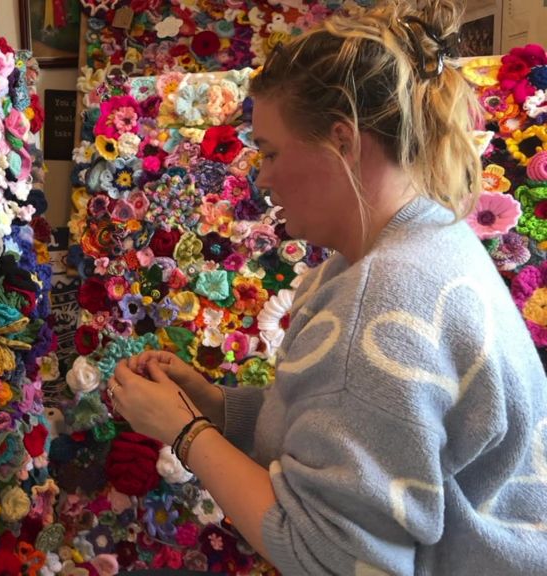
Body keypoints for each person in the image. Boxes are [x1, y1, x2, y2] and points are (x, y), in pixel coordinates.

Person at [107, 0, 547, 574]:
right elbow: (377, 434)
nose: (260, 176)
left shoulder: (385, 298)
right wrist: (219, 408)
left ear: (342, 140)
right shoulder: (426, 241)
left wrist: (185, 433)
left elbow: (330, 554)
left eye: (270, 152)